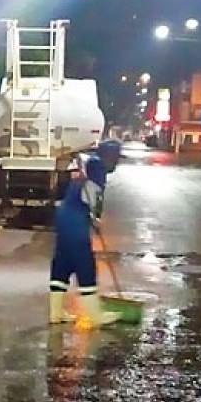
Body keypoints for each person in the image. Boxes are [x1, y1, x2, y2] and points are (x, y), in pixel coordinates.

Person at [49, 139, 122, 328]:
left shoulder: (91, 162)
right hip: (75, 219)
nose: (116, 162)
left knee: (63, 263)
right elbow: (91, 195)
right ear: (107, 156)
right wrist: (95, 217)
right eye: (115, 158)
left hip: (65, 215)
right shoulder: (98, 168)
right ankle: (95, 315)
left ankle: (55, 313)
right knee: (85, 264)